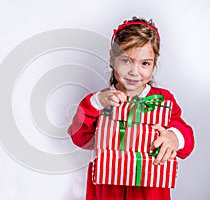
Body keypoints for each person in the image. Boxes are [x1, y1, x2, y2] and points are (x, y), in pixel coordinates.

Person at [68, 17, 195, 200]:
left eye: (145, 63)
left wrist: (174, 137)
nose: (134, 72)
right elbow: (79, 138)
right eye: (126, 61)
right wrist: (94, 103)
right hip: (107, 191)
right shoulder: (102, 101)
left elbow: (187, 141)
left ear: (154, 62)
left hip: (149, 192)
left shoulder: (163, 100)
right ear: (112, 58)